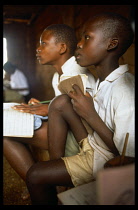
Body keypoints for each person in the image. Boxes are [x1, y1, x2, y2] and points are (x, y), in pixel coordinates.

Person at [25, 12, 135, 205]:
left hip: (102, 157)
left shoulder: (125, 90)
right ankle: (57, 175)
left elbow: (123, 156)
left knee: (35, 174)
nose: (79, 44)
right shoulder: (105, 80)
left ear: (111, 44)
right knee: (59, 103)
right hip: (92, 142)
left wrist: (90, 114)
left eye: (87, 38)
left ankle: (56, 182)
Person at [3, 24, 95, 200]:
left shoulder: (75, 74)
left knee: (7, 135)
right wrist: (47, 107)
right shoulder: (57, 75)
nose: (38, 49)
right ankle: (40, 183)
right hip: (66, 130)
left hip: (82, 138)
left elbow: (85, 115)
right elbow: (60, 107)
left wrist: (50, 109)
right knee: (11, 130)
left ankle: (42, 186)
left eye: (43, 43)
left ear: (62, 48)